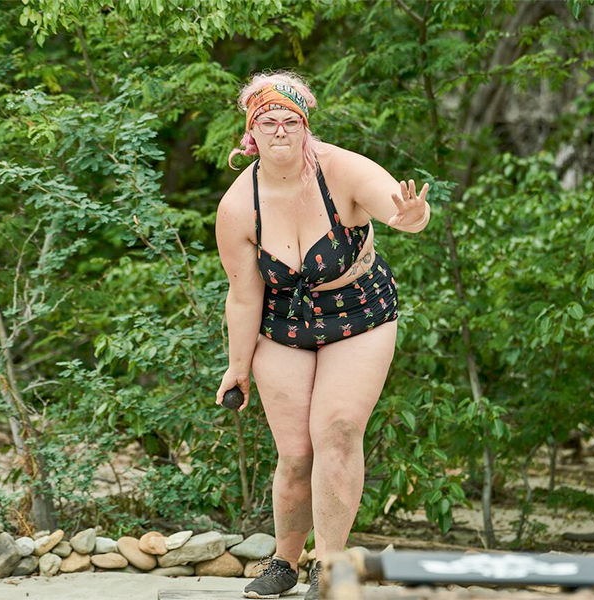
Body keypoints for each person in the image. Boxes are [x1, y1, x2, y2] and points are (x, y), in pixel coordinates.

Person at [215, 71, 430, 600]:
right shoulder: (238, 206)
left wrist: (413, 215)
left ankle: (331, 566)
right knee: (295, 452)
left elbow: (398, 208)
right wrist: (237, 367)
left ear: (306, 127)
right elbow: (244, 295)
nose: (281, 131)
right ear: (251, 133)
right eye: (269, 123)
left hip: (358, 311)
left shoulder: (342, 171)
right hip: (283, 321)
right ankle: (285, 561)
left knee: (336, 430)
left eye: (292, 122)